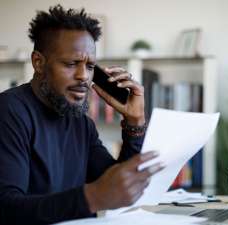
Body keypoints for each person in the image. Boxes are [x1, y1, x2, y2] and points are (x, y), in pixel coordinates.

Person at [0, 5, 164, 224]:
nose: (83, 76)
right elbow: (6, 208)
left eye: (89, 66)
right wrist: (93, 196)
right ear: (38, 63)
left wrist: (134, 122)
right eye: (71, 64)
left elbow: (117, 187)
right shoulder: (9, 111)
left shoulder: (81, 123)